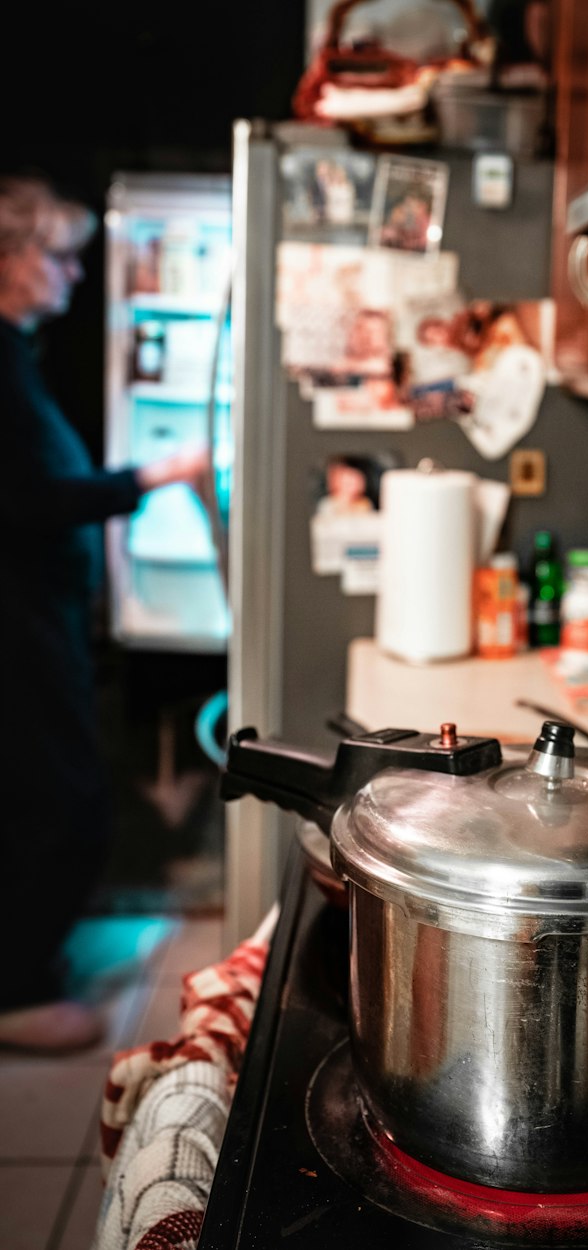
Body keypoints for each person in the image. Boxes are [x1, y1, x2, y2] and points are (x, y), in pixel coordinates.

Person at [0, 173, 211, 1052]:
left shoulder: (16, 355)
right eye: (60, 256)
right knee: (64, 801)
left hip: (37, 614)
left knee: (46, 794)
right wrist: (148, 480)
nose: (75, 276)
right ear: (7, 258)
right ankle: (13, 991)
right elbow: (27, 502)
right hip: (16, 623)